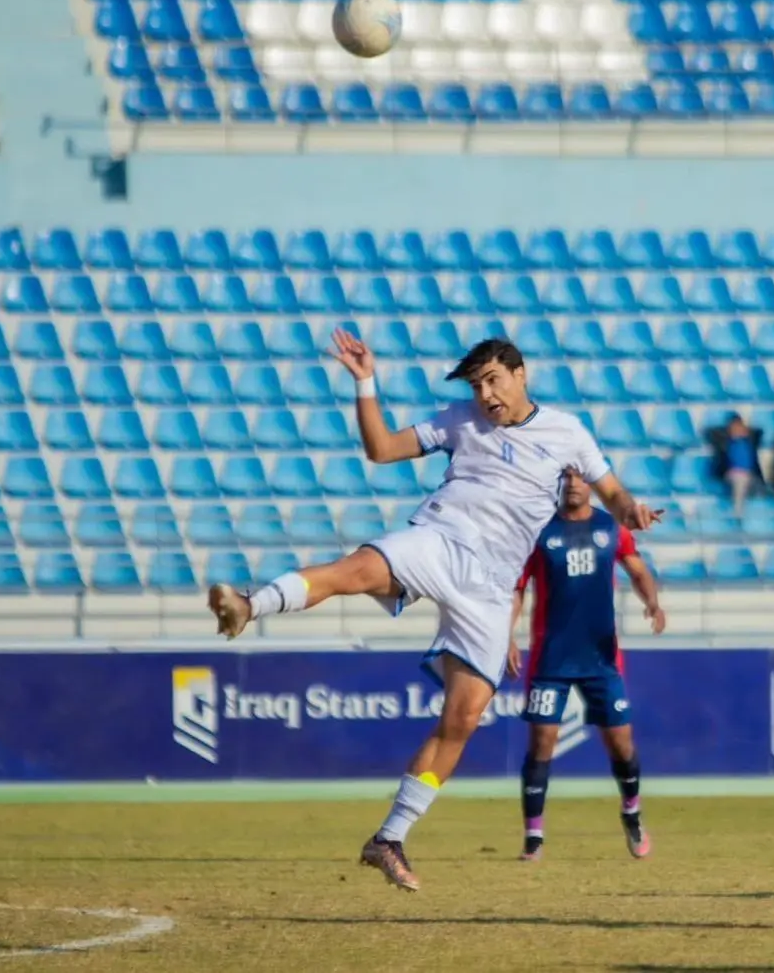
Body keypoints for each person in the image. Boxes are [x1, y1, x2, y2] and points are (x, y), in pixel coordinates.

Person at [207, 332, 662, 892]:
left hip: (491, 590)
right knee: (354, 571)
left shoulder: (567, 432)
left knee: (463, 718)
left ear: (521, 375)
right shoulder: (459, 420)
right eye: (477, 385)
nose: (486, 394)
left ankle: (389, 839)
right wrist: (365, 382)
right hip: (440, 541)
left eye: (493, 380)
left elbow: (612, 493)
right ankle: (249, 605)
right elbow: (380, 450)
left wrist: (632, 510)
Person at [507, 469, 665, 863]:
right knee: (542, 743)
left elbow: (638, 569)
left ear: (591, 484)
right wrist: (505, 635)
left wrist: (653, 602)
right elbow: (517, 588)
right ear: (557, 483)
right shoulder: (539, 532)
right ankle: (534, 837)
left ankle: (631, 813)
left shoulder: (611, 527)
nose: (573, 484)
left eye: (580, 477)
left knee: (621, 743)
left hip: (601, 659)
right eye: (566, 477)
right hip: (551, 659)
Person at [705, 413, 763, 514]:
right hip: (733, 474)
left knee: (770, 489)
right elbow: (709, 432)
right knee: (740, 481)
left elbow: (760, 431)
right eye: (735, 426)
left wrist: (746, 431)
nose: (738, 429)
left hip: (750, 474)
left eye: (740, 426)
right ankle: (737, 513)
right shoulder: (725, 441)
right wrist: (729, 433)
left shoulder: (749, 440)